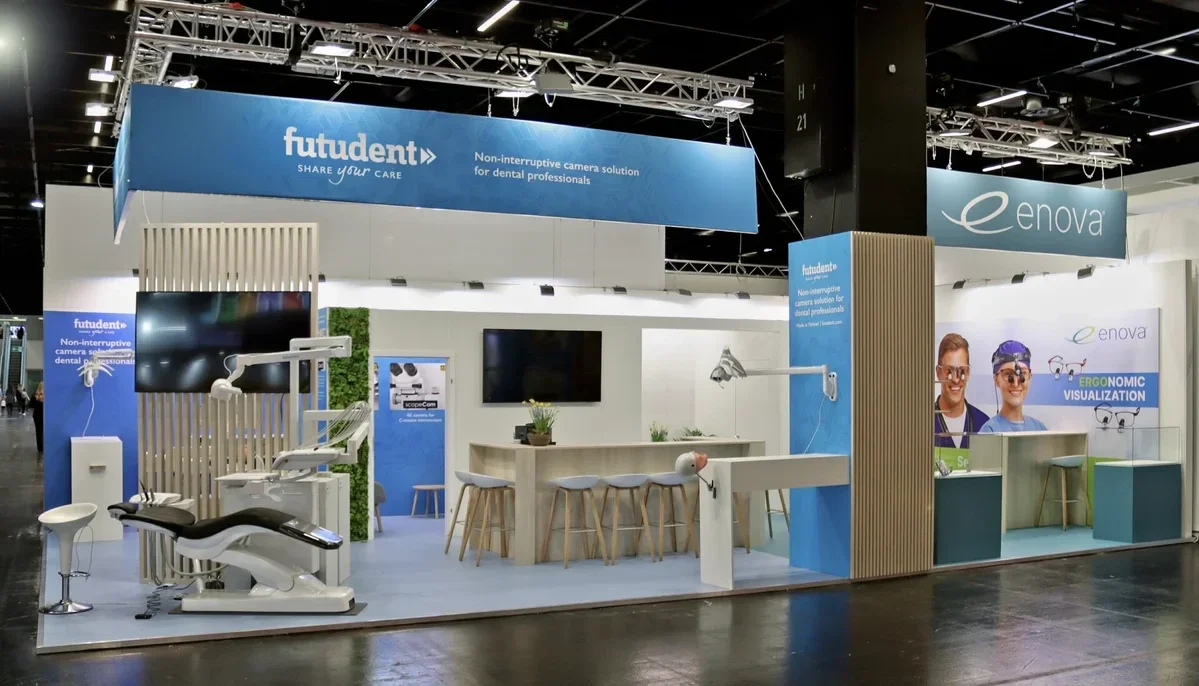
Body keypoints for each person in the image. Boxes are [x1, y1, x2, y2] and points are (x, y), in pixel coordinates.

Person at [934, 333, 990, 449]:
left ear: (968, 373)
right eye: (949, 371)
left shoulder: (983, 425)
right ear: (938, 373)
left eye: (962, 371)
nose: (955, 379)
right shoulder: (921, 425)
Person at [980, 340, 1048, 433]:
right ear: (996, 380)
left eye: (1022, 374)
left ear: (1030, 377)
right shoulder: (989, 431)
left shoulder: (1040, 429)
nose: (1016, 384)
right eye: (1008, 374)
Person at [29, 382, 44, 454]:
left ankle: (40, 448)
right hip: (45, 415)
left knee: (38, 431)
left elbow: (30, 405)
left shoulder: (34, 395)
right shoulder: (47, 395)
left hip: (37, 415)